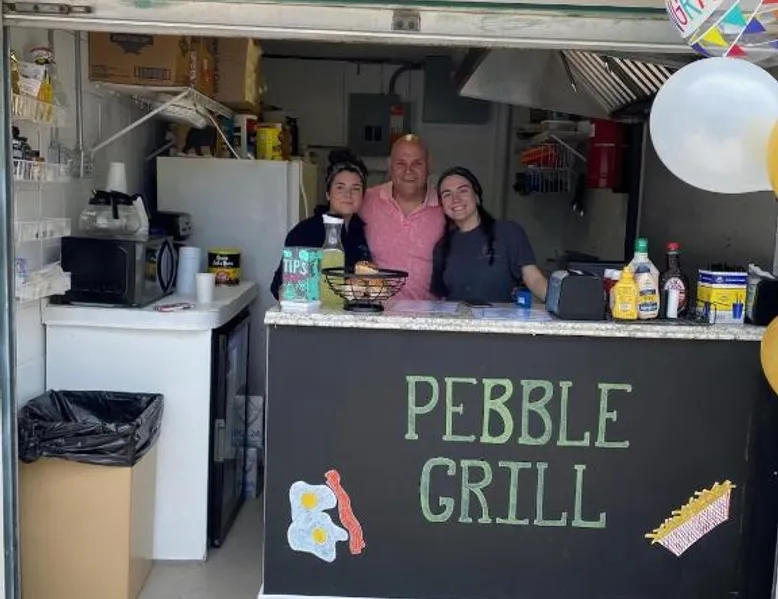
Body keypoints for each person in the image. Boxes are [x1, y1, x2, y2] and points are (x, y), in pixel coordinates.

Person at [431, 166, 548, 304]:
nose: (455, 199)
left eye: (463, 190)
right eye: (447, 194)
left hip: (500, 317)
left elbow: (534, 279)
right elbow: (440, 298)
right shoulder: (441, 247)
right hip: (457, 318)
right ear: (442, 205)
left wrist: (561, 306)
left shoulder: (508, 232)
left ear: (476, 196)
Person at [271, 150, 371, 300]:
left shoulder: (360, 231)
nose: (348, 195)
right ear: (328, 194)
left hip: (350, 313)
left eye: (355, 189)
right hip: (315, 312)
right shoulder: (305, 232)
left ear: (363, 196)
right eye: (340, 187)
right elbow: (280, 287)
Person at [360, 135, 445, 302]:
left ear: (429, 165)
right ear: (390, 165)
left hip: (430, 314)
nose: (408, 171)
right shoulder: (366, 200)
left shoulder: (446, 206)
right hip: (375, 312)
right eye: (401, 163)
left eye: (417, 163)